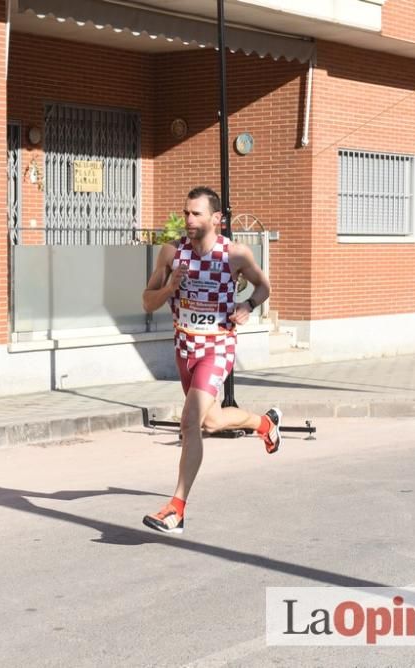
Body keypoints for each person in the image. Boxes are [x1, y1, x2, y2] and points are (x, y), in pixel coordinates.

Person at [140, 186, 281, 534]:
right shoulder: (172, 254)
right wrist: (170, 288)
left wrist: (247, 306)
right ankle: (264, 424)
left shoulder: (235, 255)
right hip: (184, 350)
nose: (188, 219)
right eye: (186, 213)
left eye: (196, 213)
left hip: (217, 348)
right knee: (212, 423)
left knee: (189, 422)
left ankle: (176, 510)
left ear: (216, 219)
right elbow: (146, 302)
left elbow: (263, 287)